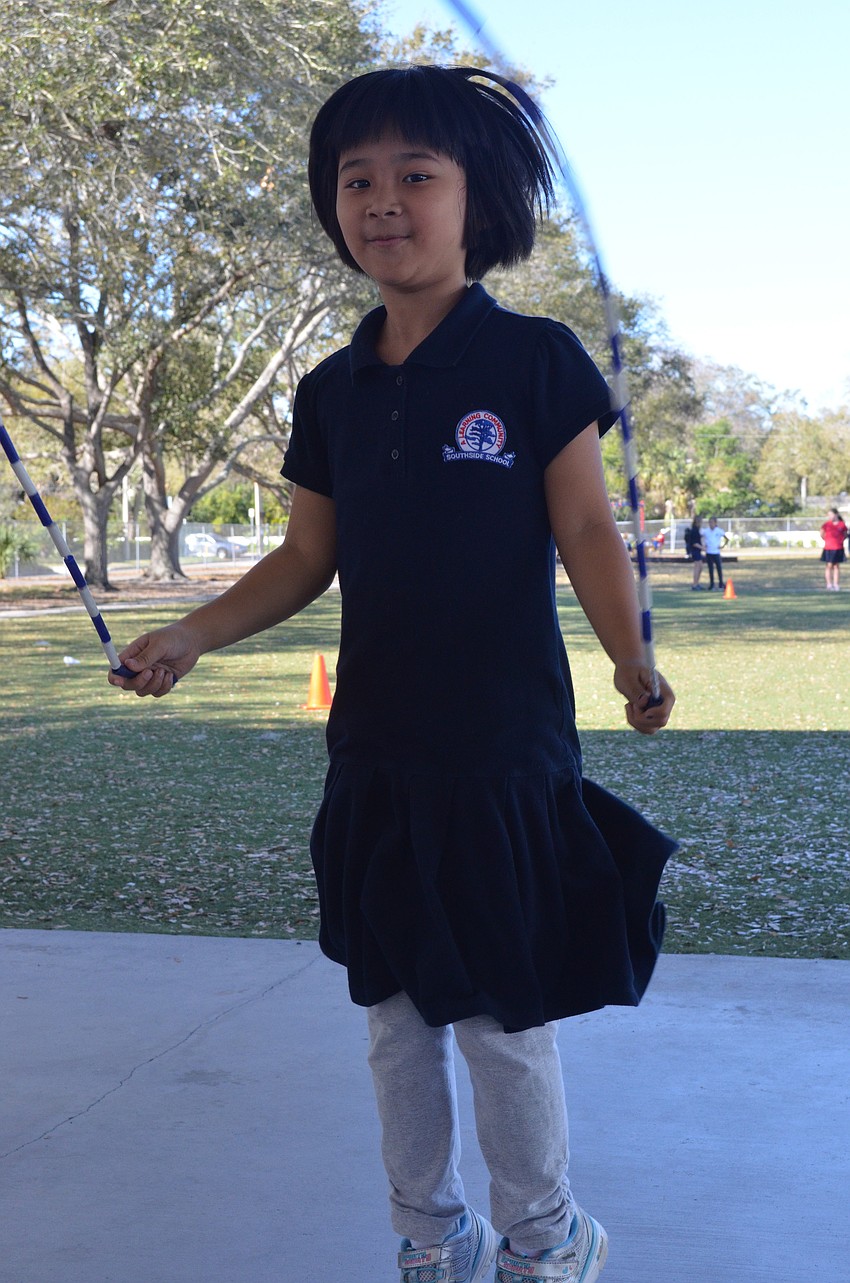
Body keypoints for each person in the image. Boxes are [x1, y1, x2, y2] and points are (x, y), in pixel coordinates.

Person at [109, 66, 676, 1283]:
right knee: (395, 1018)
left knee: (498, 1019)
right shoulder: (330, 388)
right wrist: (191, 634)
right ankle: (430, 1234)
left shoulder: (533, 361)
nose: (382, 199)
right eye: (355, 178)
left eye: (416, 174)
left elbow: (583, 529)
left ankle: (543, 1235)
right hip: (374, 753)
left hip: (503, 754)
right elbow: (308, 554)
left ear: (478, 200)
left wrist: (632, 656)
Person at [820, 506, 848, 590]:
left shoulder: (842, 524)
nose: (830, 516)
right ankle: (829, 584)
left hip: (838, 548)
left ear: (836, 515)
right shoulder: (826, 524)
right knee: (829, 565)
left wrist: (840, 541)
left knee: (836, 566)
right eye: (829, 515)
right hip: (828, 548)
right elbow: (822, 534)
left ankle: (836, 584)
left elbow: (845, 534)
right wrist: (827, 540)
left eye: (831, 514)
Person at [702, 516, 728, 590]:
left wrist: (722, 546)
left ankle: (721, 583)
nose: (711, 524)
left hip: (716, 552)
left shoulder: (719, 531)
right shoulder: (706, 531)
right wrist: (703, 545)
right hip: (709, 552)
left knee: (719, 568)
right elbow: (701, 537)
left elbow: (726, 538)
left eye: (712, 522)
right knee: (710, 569)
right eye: (710, 522)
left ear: (715, 523)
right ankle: (712, 584)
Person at [685, 514, 705, 589]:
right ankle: (694, 584)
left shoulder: (697, 530)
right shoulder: (694, 530)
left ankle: (697, 583)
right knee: (697, 567)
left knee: (700, 567)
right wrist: (702, 548)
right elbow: (694, 543)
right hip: (695, 551)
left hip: (698, 551)